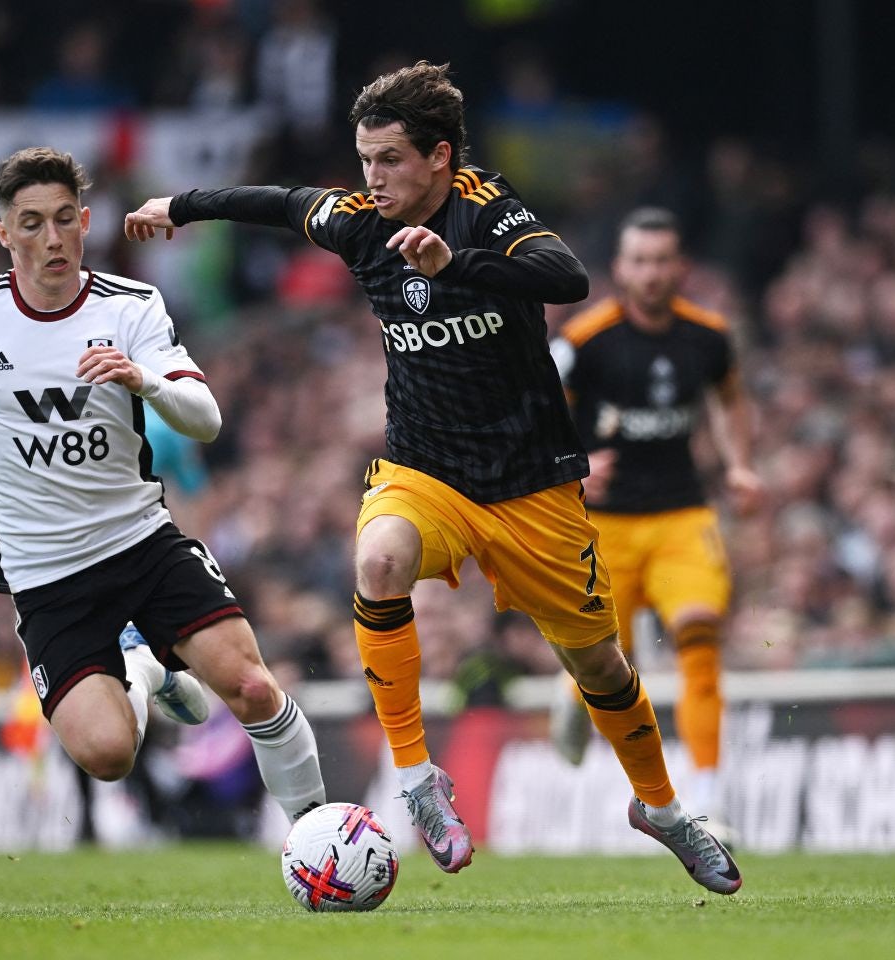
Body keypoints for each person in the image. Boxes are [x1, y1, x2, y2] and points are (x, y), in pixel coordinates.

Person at [125, 61, 741, 893]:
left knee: (598, 668)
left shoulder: (488, 208)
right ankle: (418, 781)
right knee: (378, 563)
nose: (371, 179)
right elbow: (281, 201)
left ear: (440, 157)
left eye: (388, 161)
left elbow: (568, 276)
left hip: (531, 485)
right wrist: (184, 206)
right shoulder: (358, 221)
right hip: (427, 470)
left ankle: (662, 812)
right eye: (364, 159)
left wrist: (458, 264)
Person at [0, 146, 325, 827]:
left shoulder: (131, 306)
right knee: (109, 753)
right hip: (46, 576)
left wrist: (142, 380)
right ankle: (145, 670)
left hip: (143, 543)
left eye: (64, 219)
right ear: (4, 235)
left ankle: (319, 833)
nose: (51, 239)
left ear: (87, 222)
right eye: (30, 223)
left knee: (254, 687)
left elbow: (205, 419)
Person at [548, 206, 764, 844]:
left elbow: (729, 397)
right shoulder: (585, 342)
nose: (651, 273)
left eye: (662, 261)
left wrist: (742, 465)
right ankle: (575, 690)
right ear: (620, 268)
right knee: (614, 663)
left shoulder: (708, 336)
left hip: (680, 515)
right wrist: (575, 465)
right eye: (639, 261)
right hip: (605, 526)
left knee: (700, 636)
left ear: (681, 267)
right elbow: (539, 403)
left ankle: (709, 798)